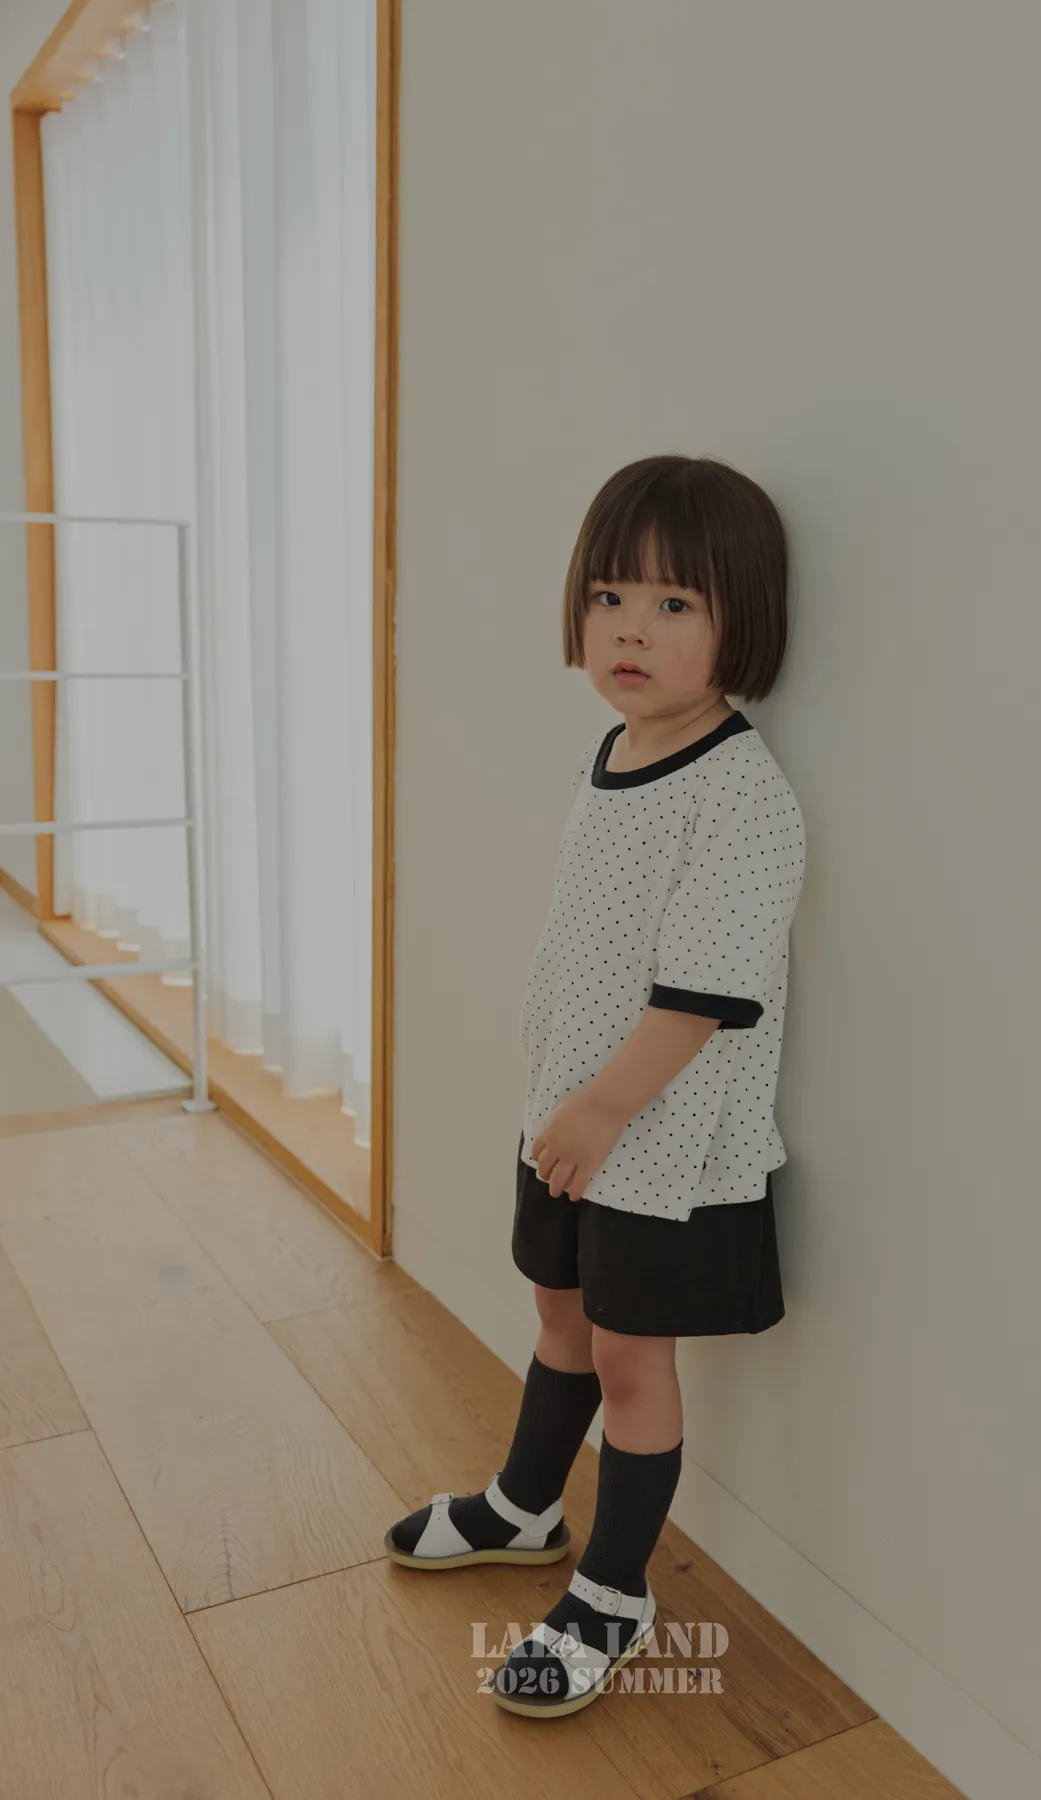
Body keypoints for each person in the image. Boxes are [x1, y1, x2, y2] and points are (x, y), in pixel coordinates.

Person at [384, 453, 806, 1717]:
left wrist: (606, 1108)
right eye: (611, 596)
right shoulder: (613, 750)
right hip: (571, 1115)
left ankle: (615, 1590)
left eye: (675, 604)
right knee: (557, 1311)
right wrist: (564, 1108)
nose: (630, 628)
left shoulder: (744, 793)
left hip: (659, 1138)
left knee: (629, 1355)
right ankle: (525, 1504)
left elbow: (703, 994)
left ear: (743, 621)